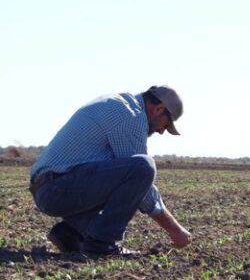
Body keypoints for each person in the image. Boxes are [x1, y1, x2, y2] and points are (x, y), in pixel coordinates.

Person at [29, 85, 193, 257]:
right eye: (166, 125)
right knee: (144, 167)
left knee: (125, 171)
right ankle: (102, 244)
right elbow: (142, 182)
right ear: (159, 109)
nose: (161, 132)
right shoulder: (130, 116)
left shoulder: (120, 105)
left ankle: (71, 232)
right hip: (56, 189)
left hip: (51, 186)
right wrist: (175, 230)